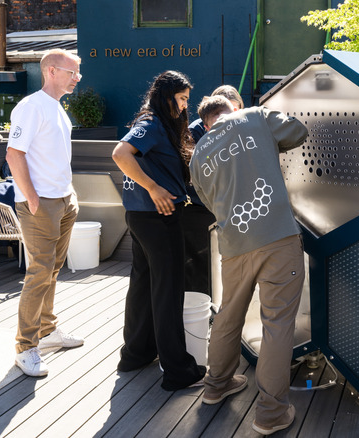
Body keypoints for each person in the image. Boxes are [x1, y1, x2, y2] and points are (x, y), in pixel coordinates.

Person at [189, 95, 307, 435]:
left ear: (207, 123)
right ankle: (270, 414)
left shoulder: (199, 153)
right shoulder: (254, 116)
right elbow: (297, 132)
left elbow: (208, 201)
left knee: (228, 314)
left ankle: (216, 386)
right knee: (277, 324)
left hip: (234, 244)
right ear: (233, 110)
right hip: (277, 236)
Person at [111, 70, 206, 391]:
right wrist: (153, 188)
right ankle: (179, 371)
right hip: (157, 216)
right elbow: (120, 154)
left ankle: (136, 354)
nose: (183, 107)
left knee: (143, 285)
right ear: (166, 97)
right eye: (181, 99)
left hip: (142, 217)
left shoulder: (161, 125)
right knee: (168, 291)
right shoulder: (151, 123)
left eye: (186, 101)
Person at [6, 48, 84, 377]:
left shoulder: (57, 109)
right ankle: (26, 347)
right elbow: (13, 154)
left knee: (52, 271)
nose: (77, 78)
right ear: (51, 71)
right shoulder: (31, 107)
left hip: (63, 200)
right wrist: (33, 198)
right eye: (72, 72)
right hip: (41, 205)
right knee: (39, 273)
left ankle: (48, 331)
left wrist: (69, 194)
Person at [183, 86, 244, 297]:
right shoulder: (195, 132)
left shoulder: (241, 126)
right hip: (199, 208)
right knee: (201, 262)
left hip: (228, 209)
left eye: (236, 111)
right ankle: (203, 309)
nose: (231, 119)